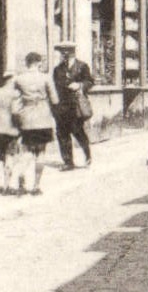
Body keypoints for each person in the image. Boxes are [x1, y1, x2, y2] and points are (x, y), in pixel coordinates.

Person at [9, 52, 55, 193]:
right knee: (41, 152)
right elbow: (55, 100)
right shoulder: (46, 78)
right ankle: (36, 186)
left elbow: (13, 99)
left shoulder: (18, 79)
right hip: (43, 118)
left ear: (26, 63)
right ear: (39, 62)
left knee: (27, 150)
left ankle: (21, 176)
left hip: (26, 118)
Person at [51, 39, 93, 169]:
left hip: (76, 106)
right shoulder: (57, 69)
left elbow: (90, 82)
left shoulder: (82, 66)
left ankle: (87, 155)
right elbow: (55, 88)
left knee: (78, 132)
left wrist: (80, 85)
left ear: (73, 52)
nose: (64, 54)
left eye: (67, 51)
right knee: (62, 134)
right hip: (61, 107)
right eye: (62, 51)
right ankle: (68, 162)